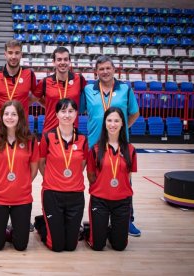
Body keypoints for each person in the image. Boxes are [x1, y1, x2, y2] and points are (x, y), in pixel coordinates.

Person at [80, 55, 141, 237]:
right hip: (95, 145)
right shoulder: (88, 89)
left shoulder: (125, 89)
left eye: (108, 68)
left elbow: (134, 113)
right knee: (96, 181)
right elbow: (78, 109)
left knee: (123, 181)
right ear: (96, 72)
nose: (105, 72)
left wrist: (119, 130)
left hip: (119, 144)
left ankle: (127, 220)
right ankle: (98, 216)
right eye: (101, 69)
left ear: (114, 69)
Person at [0, 100, 39, 251]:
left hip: (21, 197)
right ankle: (4, 232)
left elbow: (34, 169)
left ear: (20, 117)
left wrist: (23, 183)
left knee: (21, 246)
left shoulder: (31, 140)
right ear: (1, 117)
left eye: (14, 114)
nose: (10, 117)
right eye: (6, 114)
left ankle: (14, 230)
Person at [35, 98, 88, 252]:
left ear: (76, 113)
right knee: (56, 247)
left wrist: (70, 178)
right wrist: (51, 178)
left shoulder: (83, 139)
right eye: (63, 111)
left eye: (71, 111)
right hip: (52, 193)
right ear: (56, 114)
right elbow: (41, 162)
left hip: (75, 195)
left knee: (71, 247)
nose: (67, 115)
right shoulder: (47, 137)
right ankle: (41, 223)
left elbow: (82, 163)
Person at [85, 107, 137, 251]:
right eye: (109, 120)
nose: (112, 124)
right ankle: (93, 230)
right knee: (97, 246)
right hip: (100, 200)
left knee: (120, 246)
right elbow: (91, 176)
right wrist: (102, 189)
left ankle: (107, 230)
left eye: (116, 121)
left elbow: (128, 175)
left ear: (122, 124)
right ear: (105, 123)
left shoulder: (130, 149)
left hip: (122, 201)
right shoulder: (95, 149)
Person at [0, 39, 37, 133]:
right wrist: (0, 106)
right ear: (5, 54)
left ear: (21, 55)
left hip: (21, 128)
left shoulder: (29, 74)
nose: (13, 56)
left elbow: (36, 96)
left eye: (17, 53)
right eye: (10, 53)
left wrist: (22, 105)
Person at [33, 47, 86, 133]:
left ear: (69, 61)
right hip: (50, 131)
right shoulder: (45, 81)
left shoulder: (79, 79)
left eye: (65, 59)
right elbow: (34, 98)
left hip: (72, 131)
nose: (62, 62)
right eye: (59, 59)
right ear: (54, 62)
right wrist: (49, 105)